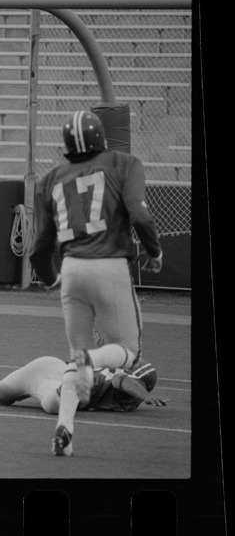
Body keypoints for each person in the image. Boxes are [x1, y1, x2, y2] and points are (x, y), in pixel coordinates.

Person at [29, 110, 163, 457]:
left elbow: (38, 248)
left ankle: (65, 428)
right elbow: (140, 214)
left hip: (71, 269)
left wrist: (52, 279)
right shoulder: (123, 163)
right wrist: (154, 250)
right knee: (127, 350)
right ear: (102, 138)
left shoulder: (50, 179)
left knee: (75, 363)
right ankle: (90, 357)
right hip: (109, 265)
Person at [0, 357, 168, 413]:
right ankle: (65, 391)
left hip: (49, 364)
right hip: (67, 382)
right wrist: (144, 394)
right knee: (56, 404)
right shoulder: (125, 384)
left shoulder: (108, 365)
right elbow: (123, 381)